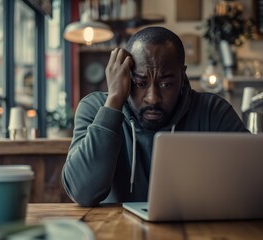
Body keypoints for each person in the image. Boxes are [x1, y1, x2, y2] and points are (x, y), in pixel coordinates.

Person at [62, 26, 249, 207]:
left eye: (166, 84)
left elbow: (254, 183)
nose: (152, 98)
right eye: (140, 83)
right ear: (125, 76)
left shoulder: (213, 111)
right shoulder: (95, 108)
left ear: (182, 77)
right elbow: (82, 193)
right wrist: (114, 101)